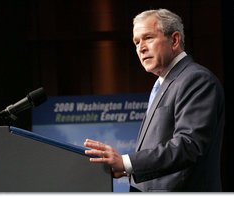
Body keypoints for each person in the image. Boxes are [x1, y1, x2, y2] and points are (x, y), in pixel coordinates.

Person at [84, 8, 225, 192]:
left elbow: (189, 145)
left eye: (148, 38)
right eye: (136, 42)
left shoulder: (196, 79)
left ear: (174, 40)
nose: (141, 48)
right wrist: (127, 170)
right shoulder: (164, 83)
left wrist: (127, 162)